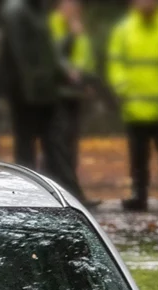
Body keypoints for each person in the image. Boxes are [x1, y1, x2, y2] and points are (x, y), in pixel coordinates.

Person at [108, 0, 158, 212]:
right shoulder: (123, 30)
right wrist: (123, 87)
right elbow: (115, 63)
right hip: (135, 109)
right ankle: (139, 195)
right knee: (138, 158)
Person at [0, 0, 85, 201]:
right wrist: (33, 94)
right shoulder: (16, 10)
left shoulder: (36, 10)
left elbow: (48, 52)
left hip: (44, 91)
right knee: (28, 148)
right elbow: (21, 57)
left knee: (56, 145)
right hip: (28, 94)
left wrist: (62, 73)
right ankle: (28, 197)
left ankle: (70, 196)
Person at [49, 0, 96, 180]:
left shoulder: (79, 28)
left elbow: (86, 56)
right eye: (70, 5)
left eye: (77, 6)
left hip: (75, 91)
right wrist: (68, 71)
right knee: (58, 141)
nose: (74, 10)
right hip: (58, 92)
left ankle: (71, 186)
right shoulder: (52, 25)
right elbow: (53, 55)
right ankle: (58, 184)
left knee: (71, 141)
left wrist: (87, 80)